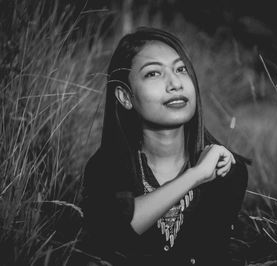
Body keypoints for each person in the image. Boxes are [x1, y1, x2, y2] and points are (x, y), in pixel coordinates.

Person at [81, 26, 249, 266]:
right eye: (153, 74)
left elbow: (216, 255)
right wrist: (195, 176)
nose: (175, 84)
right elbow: (114, 234)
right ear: (125, 97)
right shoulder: (105, 169)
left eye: (181, 69)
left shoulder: (226, 171)